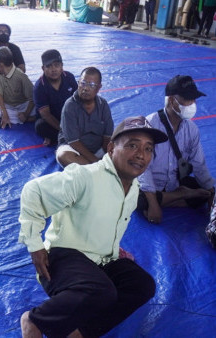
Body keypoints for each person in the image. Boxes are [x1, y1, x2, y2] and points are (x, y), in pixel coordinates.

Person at [19, 116, 167, 338]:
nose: (141, 154)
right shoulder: (86, 176)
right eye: (132, 145)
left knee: (142, 285)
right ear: (110, 148)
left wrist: (114, 249)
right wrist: (34, 244)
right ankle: (35, 320)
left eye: (148, 149)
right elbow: (33, 191)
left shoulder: (134, 188)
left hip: (99, 261)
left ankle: (78, 333)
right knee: (102, 290)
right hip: (61, 258)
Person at [137, 75, 215, 224]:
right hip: (151, 186)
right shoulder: (150, 125)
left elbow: (199, 165)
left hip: (174, 182)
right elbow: (142, 169)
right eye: (188, 100)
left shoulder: (191, 129)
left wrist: (211, 193)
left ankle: (172, 197)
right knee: (136, 200)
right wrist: (153, 203)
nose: (192, 104)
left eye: (194, 100)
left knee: (205, 194)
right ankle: (179, 196)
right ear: (172, 101)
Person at [56, 67, 114, 167]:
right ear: (78, 83)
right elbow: (74, 142)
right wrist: (96, 162)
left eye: (91, 85)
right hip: (75, 150)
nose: (85, 88)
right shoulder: (70, 106)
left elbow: (107, 137)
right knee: (64, 156)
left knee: (121, 149)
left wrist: (108, 156)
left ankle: (91, 171)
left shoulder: (103, 104)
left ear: (99, 87)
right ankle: (98, 171)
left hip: (98, 150)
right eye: (83, 83)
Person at [33, 49, 78, 146]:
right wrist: (64, 130)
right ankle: (64, 136)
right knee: (40, 127)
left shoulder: (69, 77)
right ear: (43, 68)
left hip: (69, 114)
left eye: (56, 65)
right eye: (49, 66)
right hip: (52, 119)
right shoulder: (39, 87)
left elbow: (78, 100)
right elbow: (46, 115)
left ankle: (59, 138)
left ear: (62, 66)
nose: (53, 69)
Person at [0, 46, 36, 129]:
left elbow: (33, 98)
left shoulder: (21, 76)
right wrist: (4, 114)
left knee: (37, 109)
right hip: (9, 105)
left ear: (1, 64)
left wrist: (25, 114)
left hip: (23, 105)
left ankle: (23, 118)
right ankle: (25, 119)